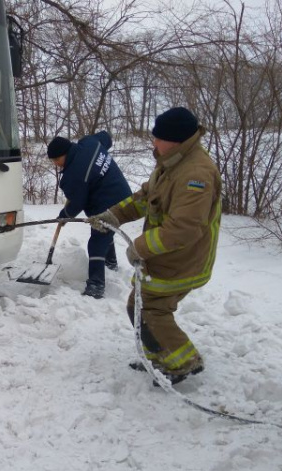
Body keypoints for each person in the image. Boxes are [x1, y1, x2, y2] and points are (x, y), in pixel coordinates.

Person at [89, 107, 222, 385]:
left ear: (174, 139)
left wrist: (139, 247)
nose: (153, 143)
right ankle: (161, 357)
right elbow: (145, 198)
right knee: (140, 306)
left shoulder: (195, 174)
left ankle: (182, 362)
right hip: (165, 257)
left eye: (157, 138)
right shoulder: (172, 162)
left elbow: (183, 229)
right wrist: (113, 216)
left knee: (149, 310)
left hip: (182, 260)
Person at [47, 131, 132, 299]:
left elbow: (77, 203)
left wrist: (64, 215)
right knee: (106, 229)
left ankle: (96, 285)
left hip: (110, 203)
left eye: (57, 160)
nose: (56, 164)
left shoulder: (74, 175)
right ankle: (111, 263)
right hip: (124, 195)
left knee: (97, 241)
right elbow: (106, 137)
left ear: (65, 153)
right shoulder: (89, 142)